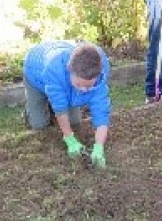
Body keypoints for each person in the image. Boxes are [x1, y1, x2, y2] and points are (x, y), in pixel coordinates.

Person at [22, 40, 111, 168]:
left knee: (74, 121)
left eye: (88, 86)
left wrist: (99, 147)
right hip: (35, 73)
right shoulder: (55, 71)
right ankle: (30, 110)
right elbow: (60, 108)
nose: (84, 90)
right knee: (39, 123)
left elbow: (101, 114)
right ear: (70, 72)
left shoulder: (99, 76)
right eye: (79, 84)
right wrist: (70, 139)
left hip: (63, 82)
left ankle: (59, 99)